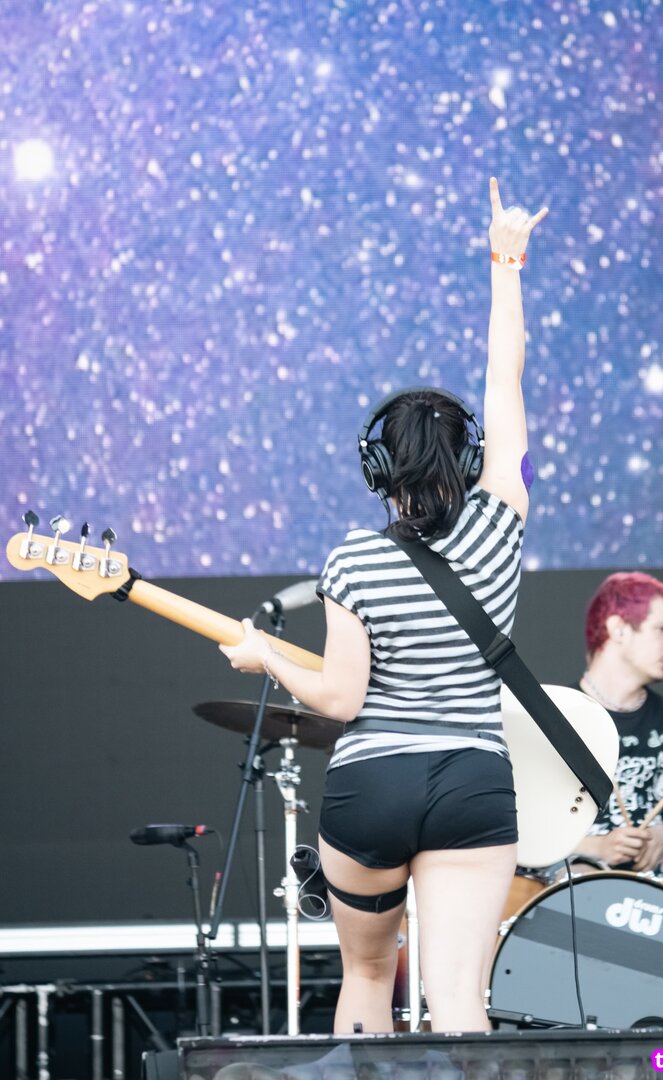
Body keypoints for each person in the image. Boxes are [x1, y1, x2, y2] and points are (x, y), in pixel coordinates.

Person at [220, 177, 547, 1034]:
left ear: (377, 471)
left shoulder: (352, 559)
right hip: (472, 779)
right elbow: (505, 378)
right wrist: (505, 262)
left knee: (368, 977)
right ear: (470, 460)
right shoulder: (502, 522)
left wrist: (265, 656)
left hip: (371, 786)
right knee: (459, 1003)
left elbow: (340, 699)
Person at [574, 572, 663, 873]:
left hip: (660, 891)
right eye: (662, 629)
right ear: (619, 629)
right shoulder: (554, 717)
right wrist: (597, 847)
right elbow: (518, 828)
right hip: (572, 888)